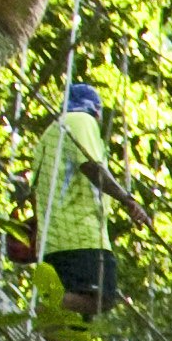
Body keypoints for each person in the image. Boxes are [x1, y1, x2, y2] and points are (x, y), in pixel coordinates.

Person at [36, 77, 126, 318]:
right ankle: (40, 307)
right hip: (81, 236)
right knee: (102, 298)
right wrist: (127, 200)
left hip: (52, 239)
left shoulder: (49, 133)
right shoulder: (81, 121)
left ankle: (41, 336)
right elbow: (92, 167)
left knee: (66, 313)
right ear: (95, 110)